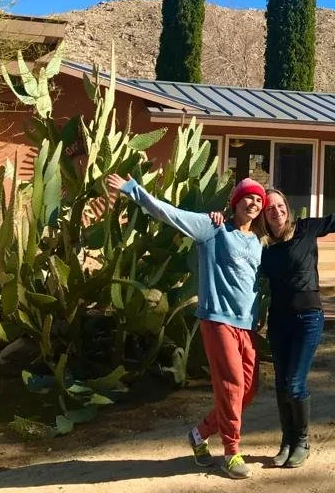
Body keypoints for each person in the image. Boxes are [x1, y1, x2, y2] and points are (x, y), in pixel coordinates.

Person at [213, 185, 335, 468]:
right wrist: (217, 218)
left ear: (287, 207)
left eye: (280, 205)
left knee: (295, 383)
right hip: (279, 319)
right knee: (281, 384)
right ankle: (286, 441)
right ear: (264, 213)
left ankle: (301, 441)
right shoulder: (261, 244)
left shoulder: (306, 229)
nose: (276, 211)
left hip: (308, 317)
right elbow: (239, 262)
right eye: (270, 207)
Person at [107, 173, 267, 480]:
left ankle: (200, 434)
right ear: (235, 202)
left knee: (248, 391)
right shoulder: (213, 228)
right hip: (218, 320)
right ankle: (232, 452)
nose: (254, 202)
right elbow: (171, 214)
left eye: (259, 199)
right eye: (248, 196)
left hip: (247, 326)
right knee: (232, 386)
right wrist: (134, 191)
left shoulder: (257, 243)